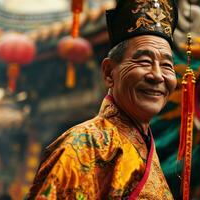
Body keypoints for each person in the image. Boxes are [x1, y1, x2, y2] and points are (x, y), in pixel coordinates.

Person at [27, 0, 178, 199]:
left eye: (167, 65)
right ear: (108, 72)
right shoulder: (82, 146)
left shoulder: (145, 147)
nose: (157, 75)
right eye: (144, 61)